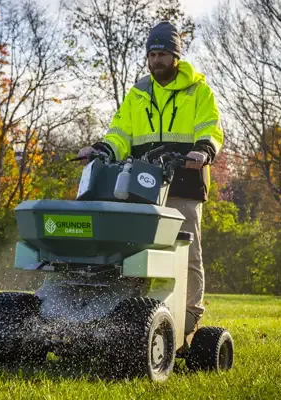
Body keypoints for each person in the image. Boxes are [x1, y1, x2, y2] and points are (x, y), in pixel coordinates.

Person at [77, 21, 224, 336]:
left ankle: (187, 317)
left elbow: (210, 127)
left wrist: (203, 150)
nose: (156, 60)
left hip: (185, 181)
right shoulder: (139, 93)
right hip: (142, 185)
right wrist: (101, 148)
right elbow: (120, 133)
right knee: (134, 249)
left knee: (186, 250)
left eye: (162, 54)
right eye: (152, 54)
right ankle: (137, 315)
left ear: (175, 57)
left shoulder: (198, 90)